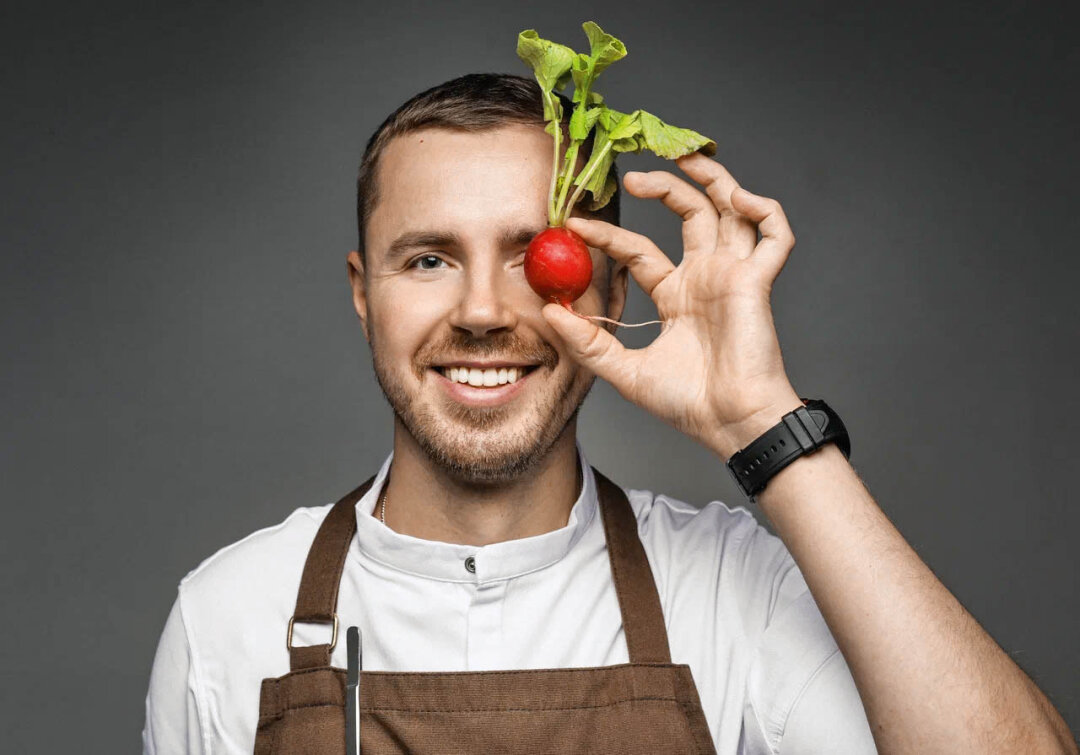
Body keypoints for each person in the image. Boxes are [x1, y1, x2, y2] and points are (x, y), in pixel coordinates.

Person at [142, 73, 1076, 754]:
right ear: (363, 292)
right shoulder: (229, 617)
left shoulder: (737, 594)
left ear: (611, 284)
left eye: (531, 253)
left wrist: (763, 423)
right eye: (427, 259)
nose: (480, 311)